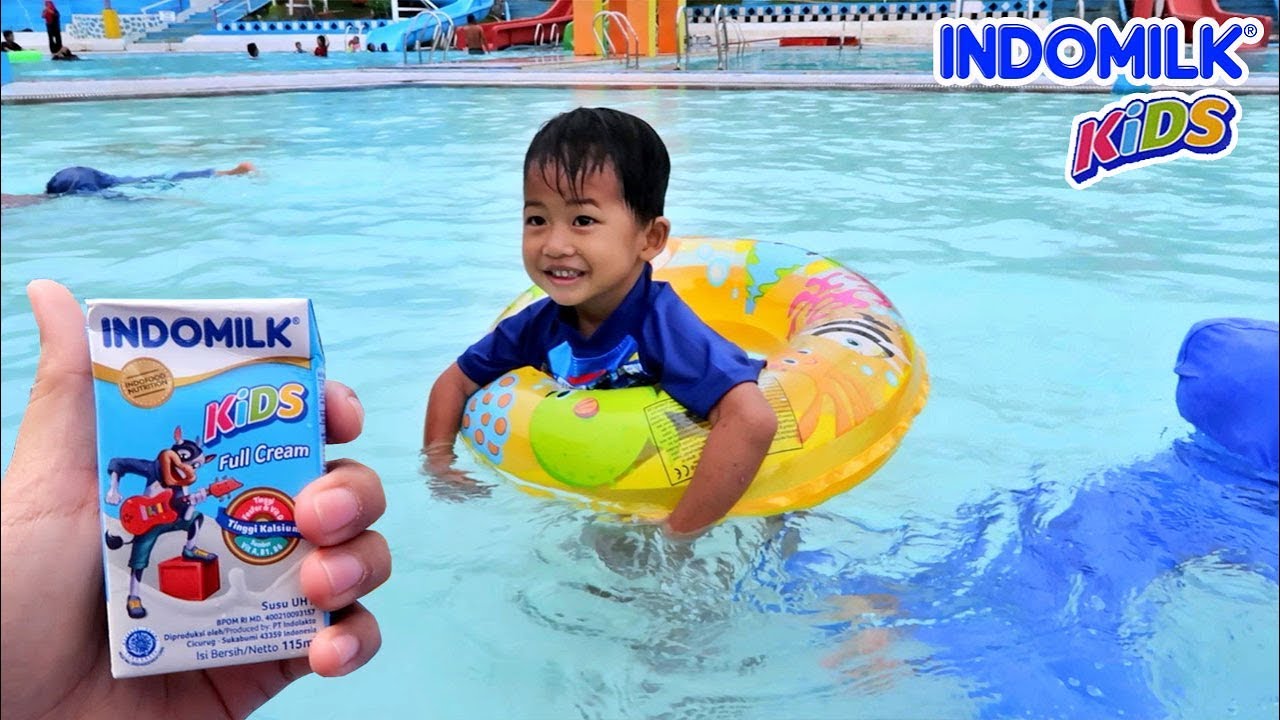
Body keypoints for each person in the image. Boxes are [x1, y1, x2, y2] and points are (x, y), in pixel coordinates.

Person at [1, 280, 391, 720]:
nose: (189, 464)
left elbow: (194, 496)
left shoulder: (190, 481)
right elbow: (122, 464)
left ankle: (189, 550)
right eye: (185, 457)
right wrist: (112, 491)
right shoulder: (155, 468)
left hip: (182, 550)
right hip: (142, 523)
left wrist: (213, 491)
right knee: (142, 552)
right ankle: (133, 597)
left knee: (195, 521)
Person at [422, 107, 778, 536]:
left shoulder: (664, 327)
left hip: (700, 505)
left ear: (650, 238)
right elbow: (455, 381)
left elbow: (752, 420)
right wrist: (439, 463)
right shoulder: (538, 325)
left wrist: (678, 534)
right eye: (537, 219)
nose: (554, 244)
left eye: (583, 221)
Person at [1, 161, 255, 209]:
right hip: (73, 174)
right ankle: (223, 172)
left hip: (72, 182)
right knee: (146, 181)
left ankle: (224, 172)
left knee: (122, 195)